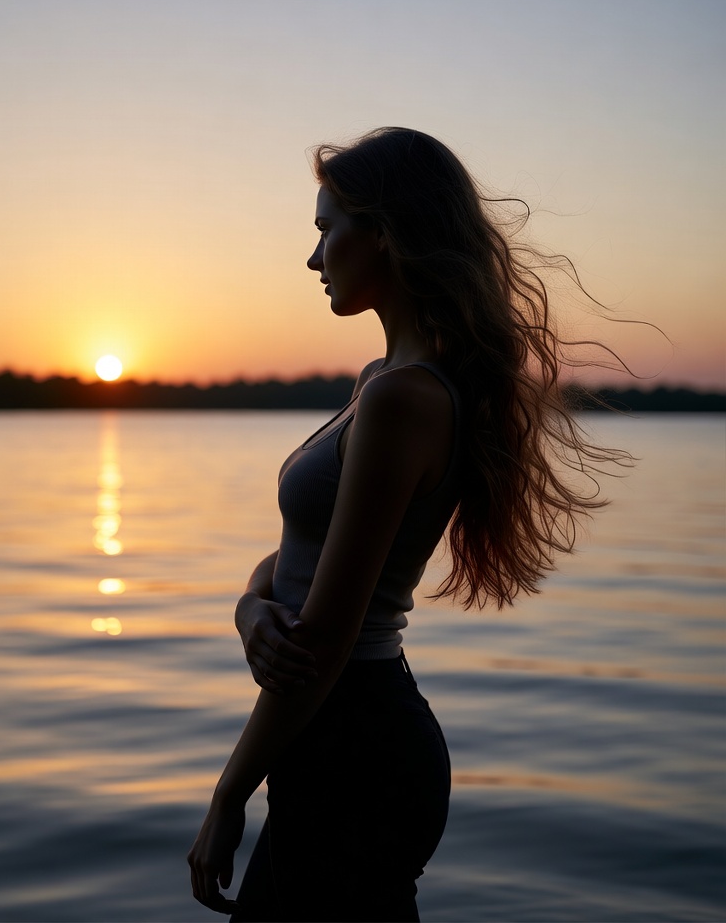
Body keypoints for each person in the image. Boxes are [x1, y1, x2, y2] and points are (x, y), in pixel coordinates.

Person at [188, 127, 627, 922]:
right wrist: (250, 606)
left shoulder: (405, 400)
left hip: (356, 747)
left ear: (383, 234)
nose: (314, 259)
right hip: (332, 738)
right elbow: (302, 555)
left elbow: (326, 639)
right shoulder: (379, 382)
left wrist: (227, 795)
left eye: (326, 230)